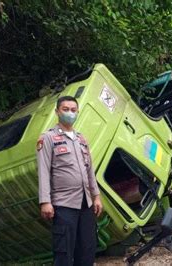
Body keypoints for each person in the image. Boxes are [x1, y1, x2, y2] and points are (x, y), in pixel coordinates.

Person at [36, 95, 103, 265]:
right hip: (63, 204)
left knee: (87, 249)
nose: (70, 113)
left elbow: (89, 170)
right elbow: (43, 170)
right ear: (57, 111)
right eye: (65, 109)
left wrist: (96, 196)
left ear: (78, 112)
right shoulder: (48, 138)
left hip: (86, 203)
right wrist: (45, 201)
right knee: (64, 251)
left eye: (73, 110)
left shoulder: (81, 139)